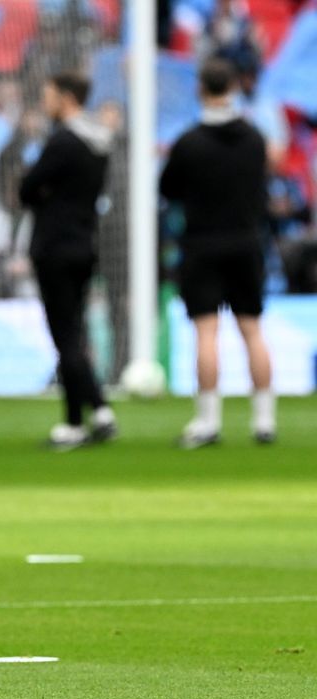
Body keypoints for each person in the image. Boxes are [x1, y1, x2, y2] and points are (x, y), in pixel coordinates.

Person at [160, 58, 274, 447]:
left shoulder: (189, 142)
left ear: (201, 89)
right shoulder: (256, 138)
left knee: (206, 332)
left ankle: (208, 422)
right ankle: (264, 421)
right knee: (252, 330)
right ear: (234, 87)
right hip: (245, 241)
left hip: (202, 243)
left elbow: (169, 189)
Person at [19, 72, 117, 450]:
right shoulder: (100, 143)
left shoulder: (63, 141)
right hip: (85, 244)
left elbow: (28, 189)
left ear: (65, 97)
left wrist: (43, 194)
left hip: (54, 247)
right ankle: (89, 416)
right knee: (75, 333)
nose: (45, 102)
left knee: (66, 337)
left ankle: (88, 415)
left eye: (48, 94)